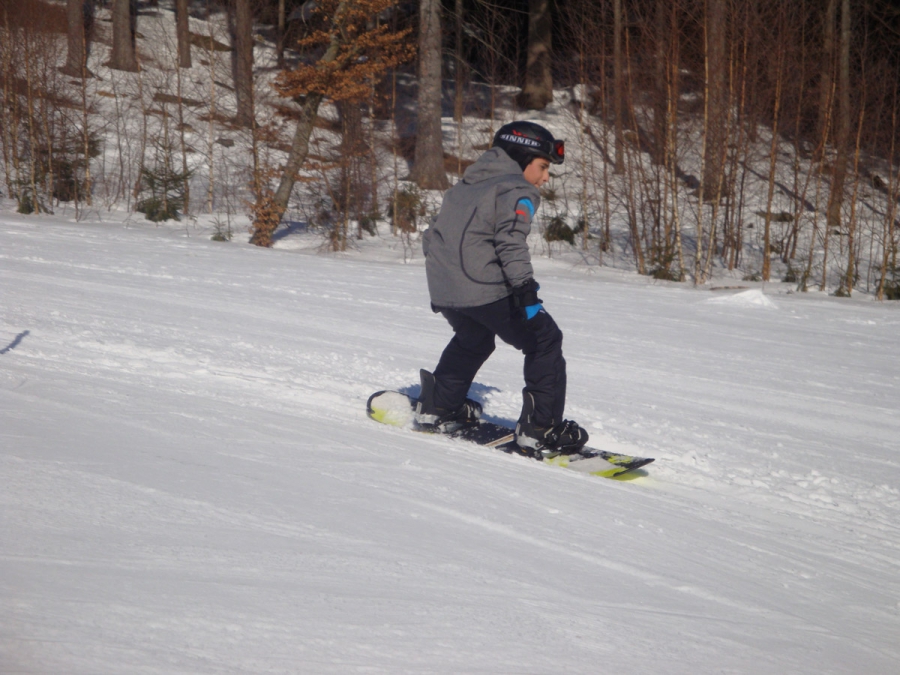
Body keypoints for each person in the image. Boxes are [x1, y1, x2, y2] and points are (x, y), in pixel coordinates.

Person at [415, 121, 588, 459]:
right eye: (542, 166)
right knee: (544, 339)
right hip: (485, 289)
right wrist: (525, 291)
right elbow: (511, 240)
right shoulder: (517, 190)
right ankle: (541, 430)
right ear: (522, 157)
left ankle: (437, 407)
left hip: (445, 289)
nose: (544, 178)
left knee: (473, 338)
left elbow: (431, 235)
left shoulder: (465, 186)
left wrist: (449, 278)